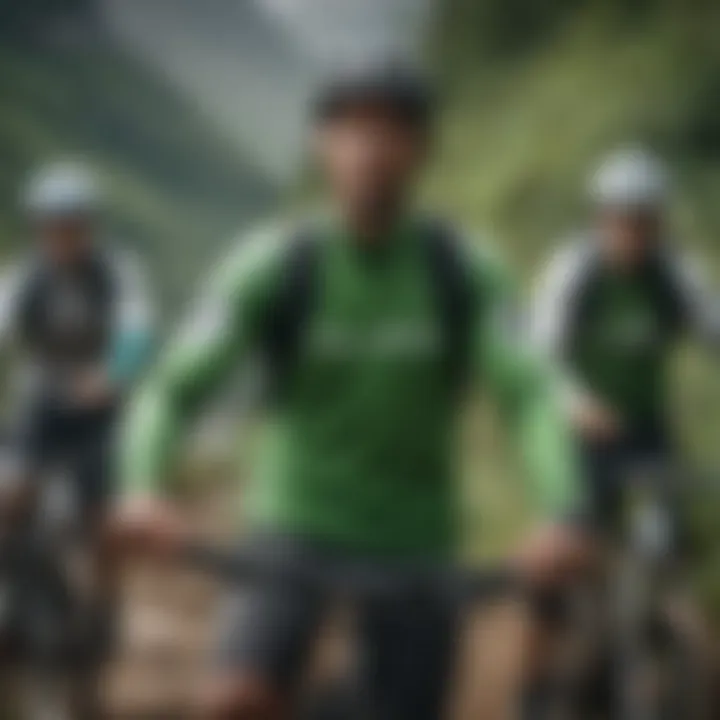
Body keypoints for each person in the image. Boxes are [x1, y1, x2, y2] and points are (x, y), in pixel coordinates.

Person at [110, 60, 589, 720]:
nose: (368, 150)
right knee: (235, 701)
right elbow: (173, 387)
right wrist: (142, 485)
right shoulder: (276, 263)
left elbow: (530, 396)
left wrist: (562, 511)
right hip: (292, 530)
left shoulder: (462, 269)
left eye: (390, 130)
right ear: (321, 145)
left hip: (417, 545)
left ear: (421, 149)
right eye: (350, 129)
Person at [526, 147, 720, 716]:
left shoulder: (676, 274)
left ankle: (663, 644)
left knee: (667, 548)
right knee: (562, 562)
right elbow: (537, 357)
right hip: (579, 436)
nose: (633, 232)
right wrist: (575, 402)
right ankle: (535, 685)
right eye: (621, 219)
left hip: (647, 433)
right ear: (600, 219)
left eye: (645, 219)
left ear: (660, 222)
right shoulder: (574, 271)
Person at [0, 160, 154, 716]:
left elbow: (137, 330)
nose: (63, 235)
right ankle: (12, 604)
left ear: (91, 227)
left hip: (99, 412)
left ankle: (102, 611)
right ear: (38, 229)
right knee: (8, 494)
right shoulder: (24, 278)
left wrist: (113, 374)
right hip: (41, 408)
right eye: (52, 225)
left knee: (102, 524)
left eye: (73, 224)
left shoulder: (117, 272)